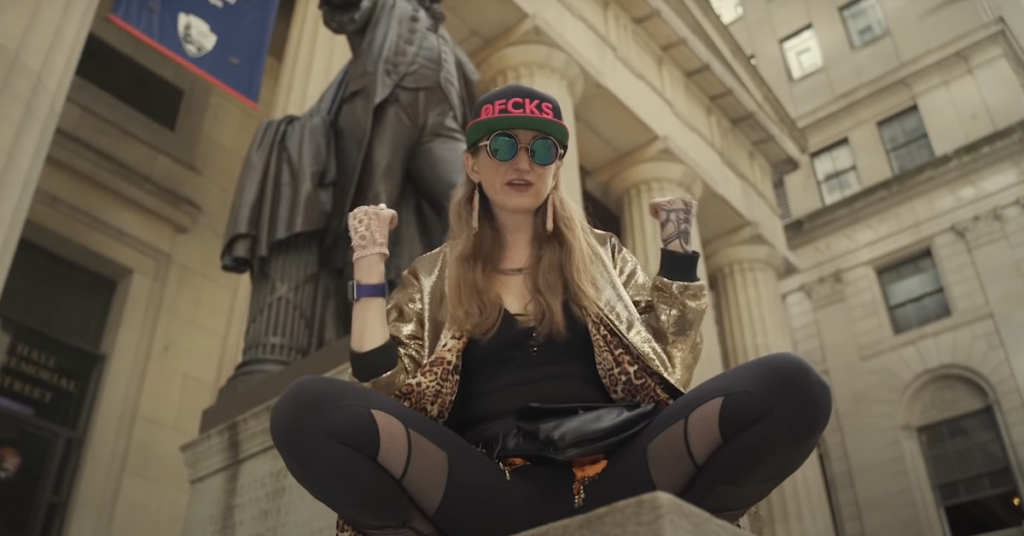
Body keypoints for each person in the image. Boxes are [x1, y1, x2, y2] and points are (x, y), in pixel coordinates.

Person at [271, 84, 833, 536]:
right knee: (307, 409)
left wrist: (679, 249)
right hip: (484, 488)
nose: (523, 161)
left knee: (791, 385)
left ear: (557, 166)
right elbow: (382, 383)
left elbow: (671, 361)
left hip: (623, 470)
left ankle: (682, 525)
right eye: (502, 146)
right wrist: (369, 258)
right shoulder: (432, 274)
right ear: (472, 164)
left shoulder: (603, 257)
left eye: (541, 149)